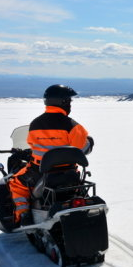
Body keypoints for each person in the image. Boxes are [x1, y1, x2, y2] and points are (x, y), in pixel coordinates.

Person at [8, 85, 93, 226]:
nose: (70, 104)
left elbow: (31, 144)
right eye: (69, 101)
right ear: (63, 102)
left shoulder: (35, 124)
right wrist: (89, 142)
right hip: (69, 173)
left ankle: (24, 216)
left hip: (39, 173)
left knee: (16, 184)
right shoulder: (73, 126)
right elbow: (82, 149)